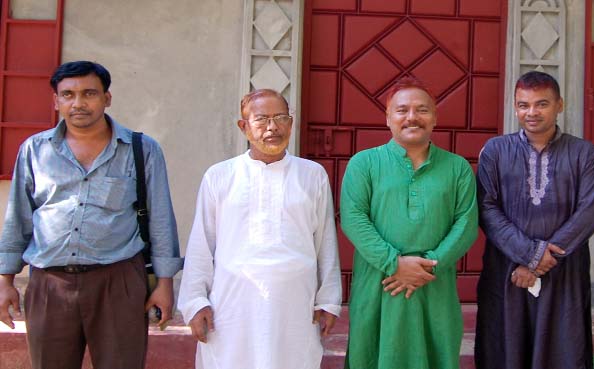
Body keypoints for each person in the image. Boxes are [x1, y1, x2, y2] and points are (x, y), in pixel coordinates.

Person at [0, 61, 181, 369]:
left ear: (106, 98)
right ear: (56, 101)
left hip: (119, 281)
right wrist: (5, 280)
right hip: (49, 283)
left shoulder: (141, 149)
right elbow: (18, 217)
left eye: (89, 93)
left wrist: (164, 284)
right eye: (68, 95)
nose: (78, 103)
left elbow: (161, 219)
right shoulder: (34, 150)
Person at [177, 88, 341, 369]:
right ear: (244, 127)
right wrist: (195, 301)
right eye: (262, 119)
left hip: (294, 305)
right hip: (232, 306)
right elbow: (202, 243)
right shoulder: (220, 176)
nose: (272, 127)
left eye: (280, 118)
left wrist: (328, 300)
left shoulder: (312, 175)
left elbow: (325, 242)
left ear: (291, 123)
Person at [340, 76, 478, 369]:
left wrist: (429, 265)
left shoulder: (457, 168)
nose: (412, 117)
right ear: (388, 118)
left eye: (422, 110)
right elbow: (354, 219)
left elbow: (466, 223)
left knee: (435, 354)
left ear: (435, 117)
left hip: (433, 285)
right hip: (380, 284)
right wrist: (395, 264)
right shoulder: (364, 164)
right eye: (402, 110)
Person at [474, 71, 594, 369]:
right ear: (515, 107)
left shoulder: (583, 153)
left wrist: (542, 258)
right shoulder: (495, 151)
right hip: (507, 270)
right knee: (505, 347)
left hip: (563, 271)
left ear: (560, 105)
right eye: (523, 105)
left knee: (562, 348)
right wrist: (529, 255)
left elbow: (589, 211)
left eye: (541, 104)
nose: (531, 112)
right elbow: (487, 209)